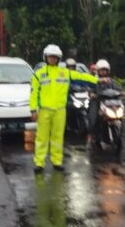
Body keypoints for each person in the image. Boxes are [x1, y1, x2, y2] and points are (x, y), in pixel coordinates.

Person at [30, 45, 102, 173]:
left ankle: (57, 161)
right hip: (44, 110)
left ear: (59, 59)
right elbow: (34, 93)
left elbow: (81, 76)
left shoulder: (64, 73)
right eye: (50, 57)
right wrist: (33, 110)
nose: (52, 59)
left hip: (60, 110)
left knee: (58, 138)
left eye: (55, 57)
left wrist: (98, 80)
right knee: (42, 138)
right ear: (45, 58)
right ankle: (39, 163)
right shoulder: (39, 74)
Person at [88, 59, 121, 147]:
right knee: (94, 118)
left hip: (109, 103)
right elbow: (90, 89)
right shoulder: (94, 80)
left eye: (105, 70)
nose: (103, 72)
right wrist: (92, 94)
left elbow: (118, 88)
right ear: (98, 71)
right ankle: (92, 135)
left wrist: (122, 92)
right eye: (102, 70)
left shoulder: (111, 81)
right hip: (98, 102)